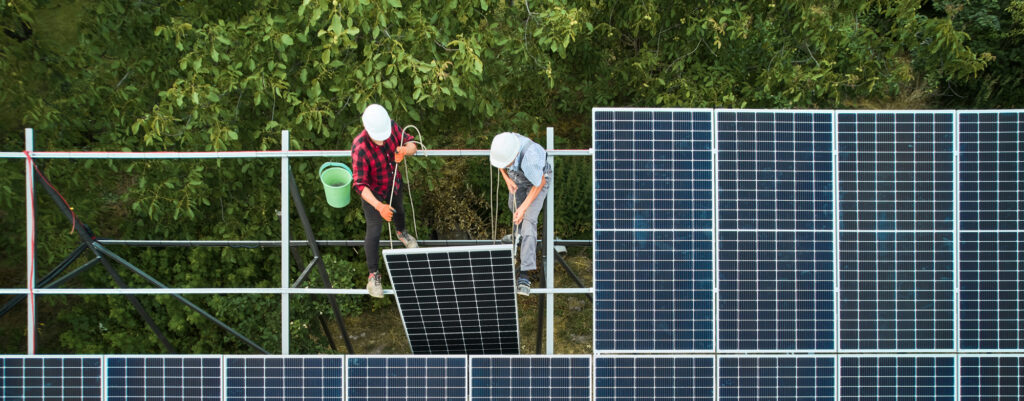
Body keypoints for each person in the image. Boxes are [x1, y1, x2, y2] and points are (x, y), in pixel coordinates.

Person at [351, 104, 419, 298]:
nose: (382, 139)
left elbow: (413, 144)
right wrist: (379, 206)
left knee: (400, 211)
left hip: (393, 182)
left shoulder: (388, 126)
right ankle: (373, 276)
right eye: (378, 137)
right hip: (374, 194)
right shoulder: (360, 147)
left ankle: (402, 233)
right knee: (374, 230)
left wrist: (405, 150)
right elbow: (360, 185)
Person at [489, 132, 551, 296]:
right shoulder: (502, 143)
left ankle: (525, 274)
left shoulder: (530, 157)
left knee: (529, 221)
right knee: (512, 206)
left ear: (514, 154)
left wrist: (524, 208)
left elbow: (540, 182)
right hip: (518, 179)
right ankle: (521, 237)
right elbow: (500, 164)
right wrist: (508, 180)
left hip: (538, 181)